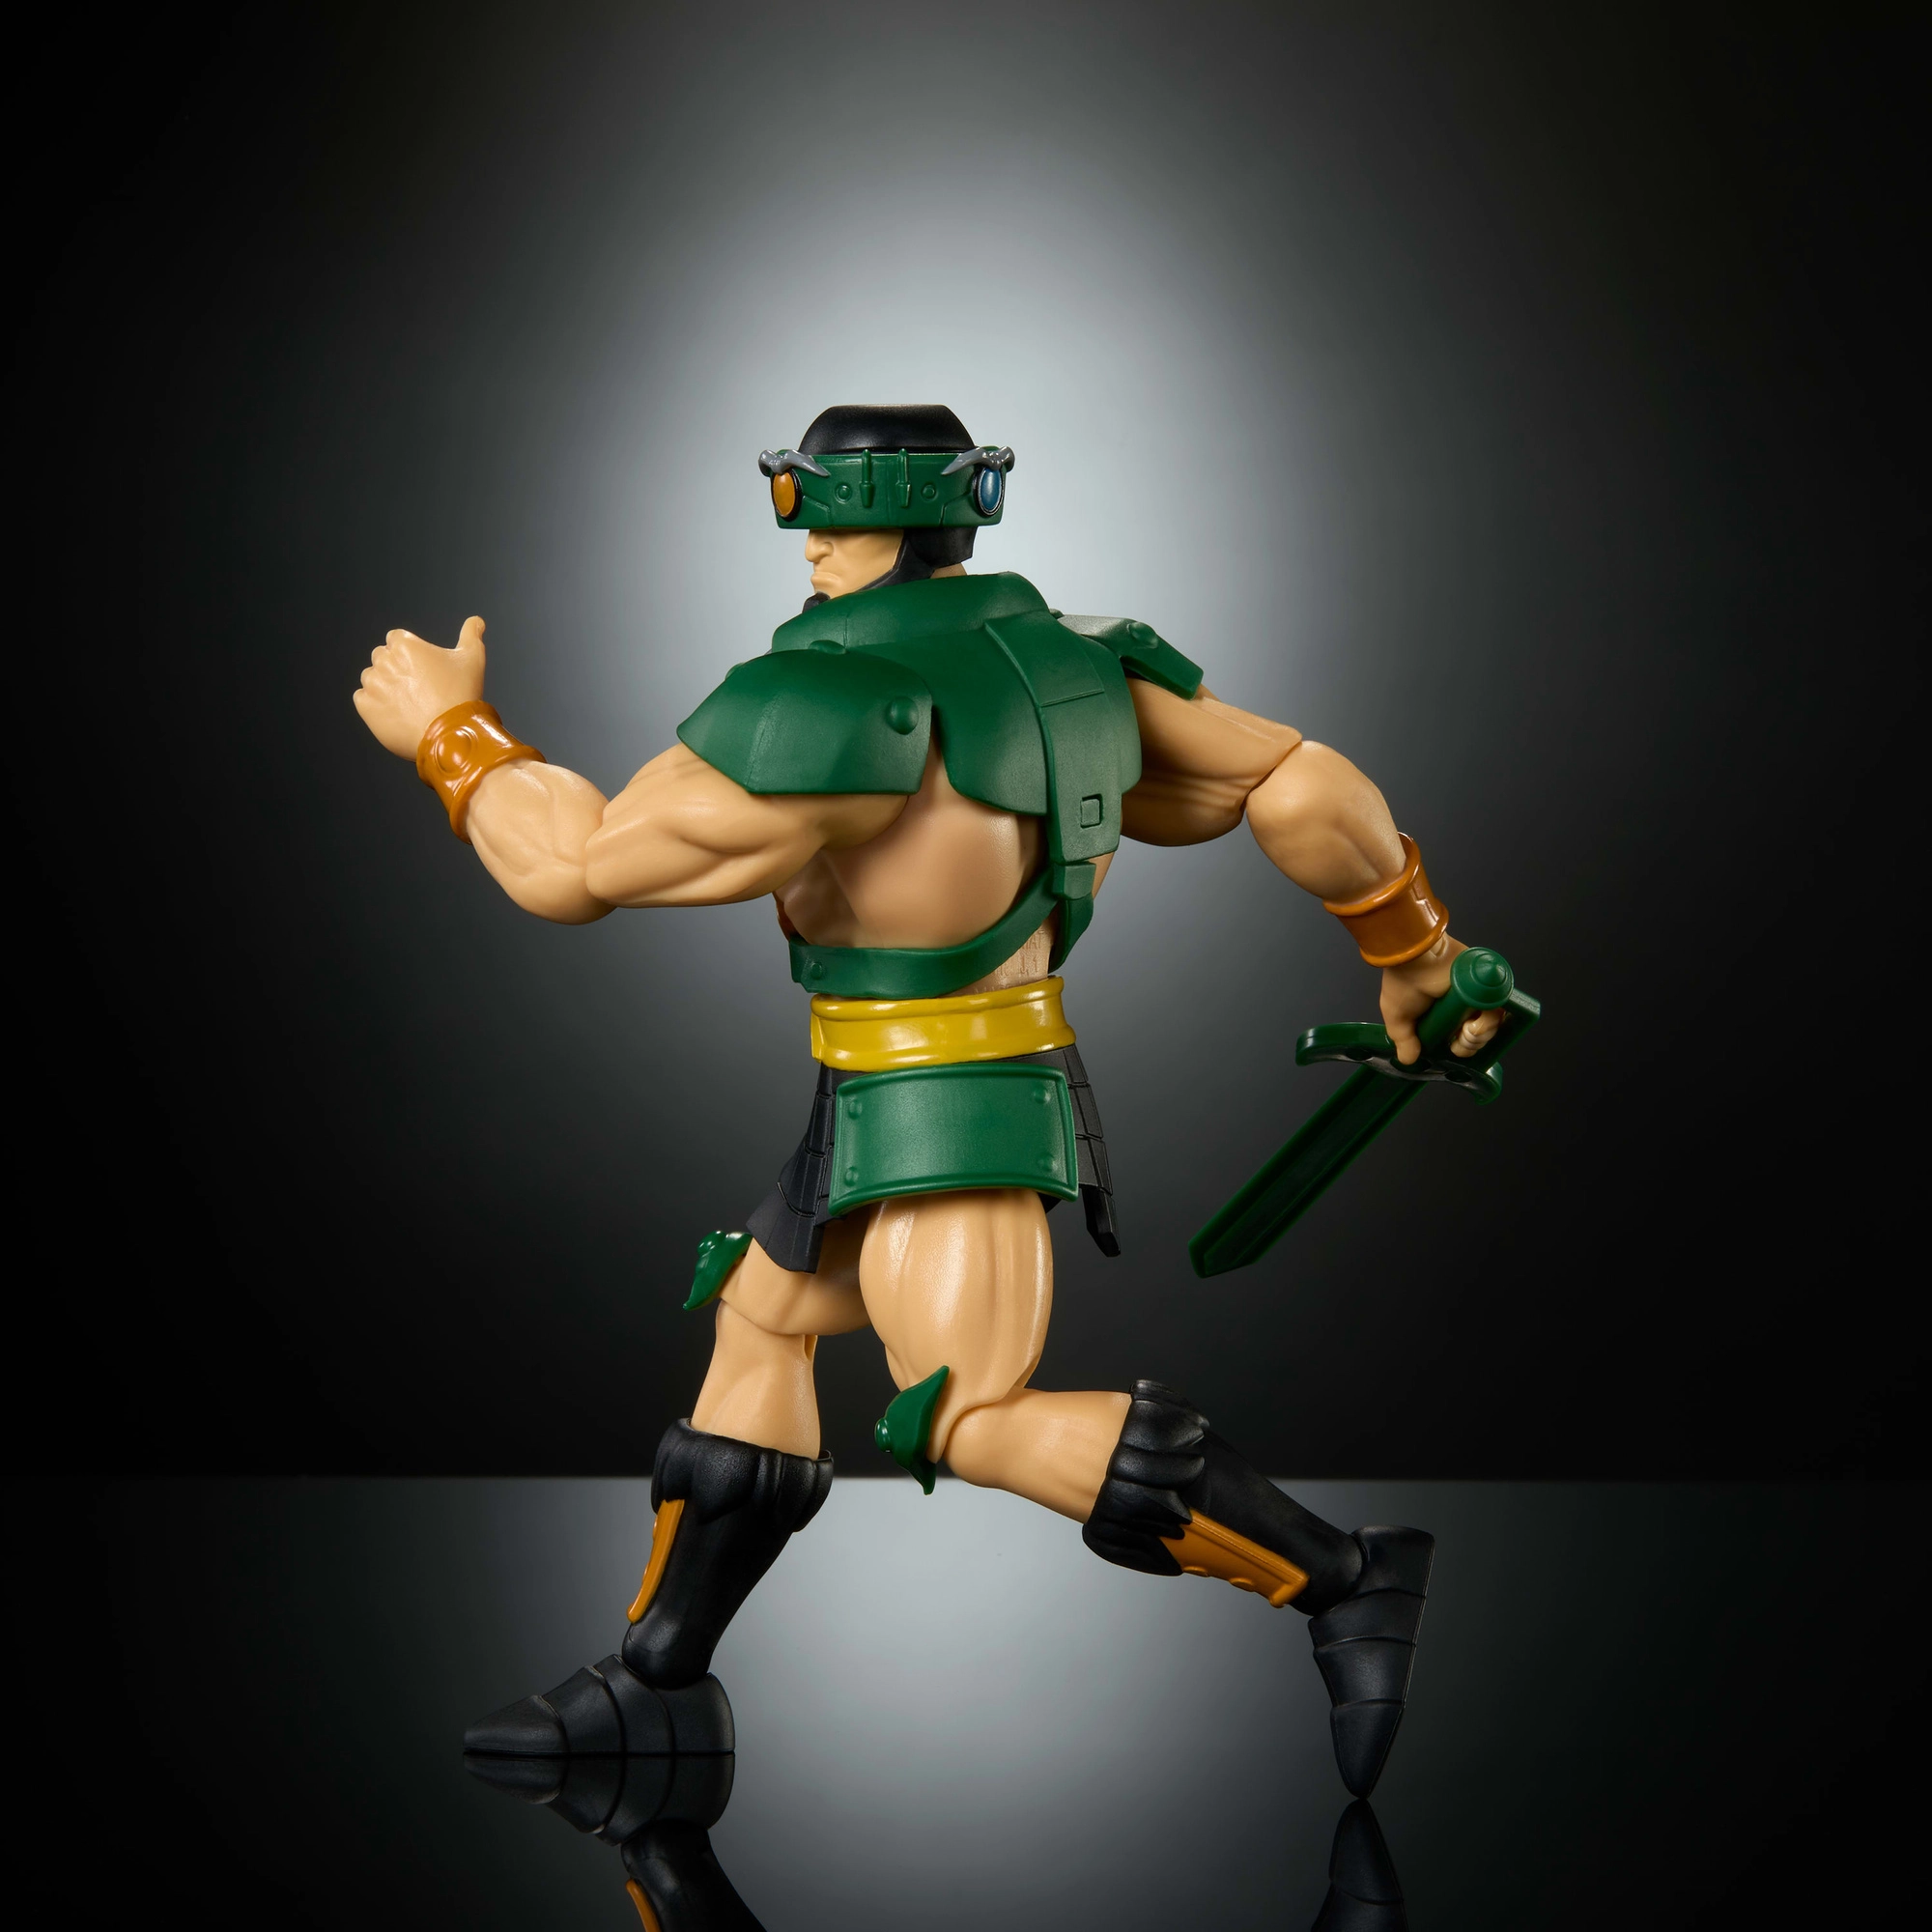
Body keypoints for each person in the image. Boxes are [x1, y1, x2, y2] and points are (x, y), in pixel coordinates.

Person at [354, 404, 1502, 1796]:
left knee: (967, 1413)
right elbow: (1295, 783)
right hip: (897, 1087)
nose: (806, 542)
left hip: (946, 1107)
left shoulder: (829, 706)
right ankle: (658, 1683)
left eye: (816, 508)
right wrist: (1415, 950)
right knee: (763, 1319)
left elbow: (571, 867)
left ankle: (1347, 1576)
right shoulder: (1076, 670)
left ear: (881, 517)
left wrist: (453, 733)